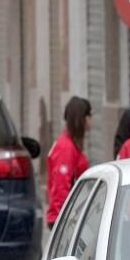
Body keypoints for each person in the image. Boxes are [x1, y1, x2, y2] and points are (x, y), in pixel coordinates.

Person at [46, 96, 91, 229]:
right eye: (90, 115)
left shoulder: (71, 144)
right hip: (63, 218)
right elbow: (61, 186)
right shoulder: (66, 147)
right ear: (84, 118)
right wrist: (64, 220)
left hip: (70, 215)